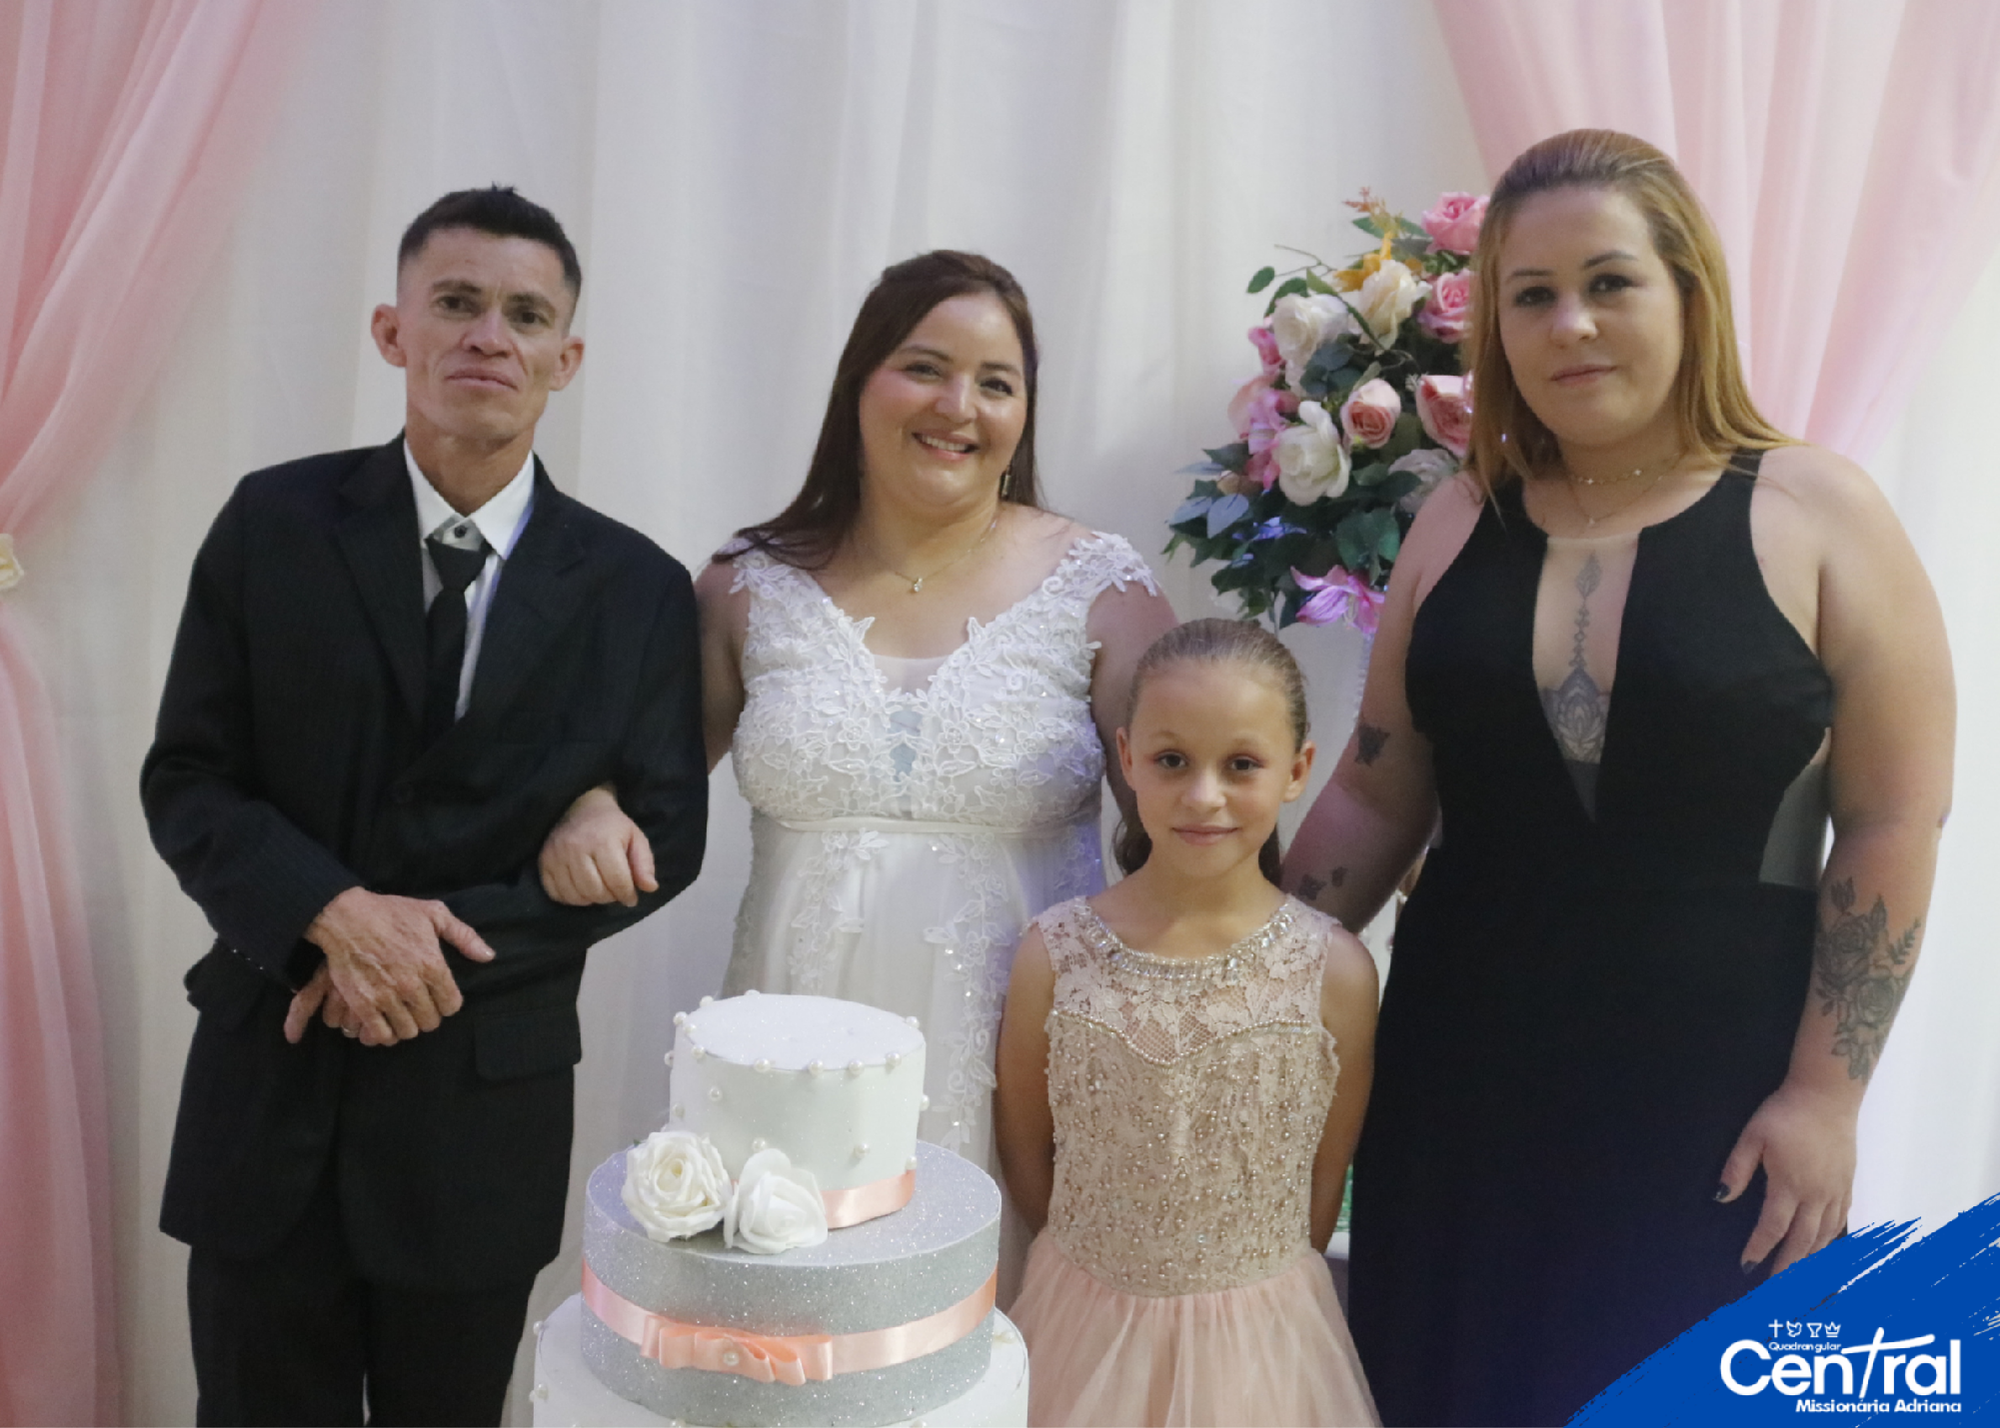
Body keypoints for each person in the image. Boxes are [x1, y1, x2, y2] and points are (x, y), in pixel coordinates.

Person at [1282, 129, 1955, 1426]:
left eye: (1608, 282)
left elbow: (1891, 819)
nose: (1570, 324)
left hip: (1713, 1103)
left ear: (1688, 294)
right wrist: (1239, 975)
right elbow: (1376, 787)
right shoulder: (1456, 516)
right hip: (1456, 1084)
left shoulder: (1820, 510)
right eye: (1531, 295)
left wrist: (1825, 1097)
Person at [141, 187, 708, 1426]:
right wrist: (329, 916)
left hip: (477, 1125)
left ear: (565, 358)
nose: (488, 335)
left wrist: (413, 951)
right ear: (393, 331)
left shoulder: (635, 589)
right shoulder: (270, 523)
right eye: (455, 302)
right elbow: (187, 777)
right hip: (269, 1090)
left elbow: (665, 841)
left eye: (524, 315)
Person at [539, 250, 1176, 1180]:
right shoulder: (747, 584)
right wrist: (590, 801)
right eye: (924, 367)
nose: (958, 406)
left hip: (1025, 1074)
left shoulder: (1102, 589)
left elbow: (1187, 834)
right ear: (858, 383)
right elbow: (637, 780)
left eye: (995, 383)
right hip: (789, 1075)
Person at [994, 618, 1379, 1428]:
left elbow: (1323, 1177)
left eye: (1241, 765)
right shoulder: (1055, 955)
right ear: (1129, 757)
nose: (1204, 796)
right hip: (1083, 1327)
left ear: (1297, 770)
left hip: (1261, 1349)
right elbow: (1027, 1153)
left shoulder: (1336, 973)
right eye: (1173, 761)